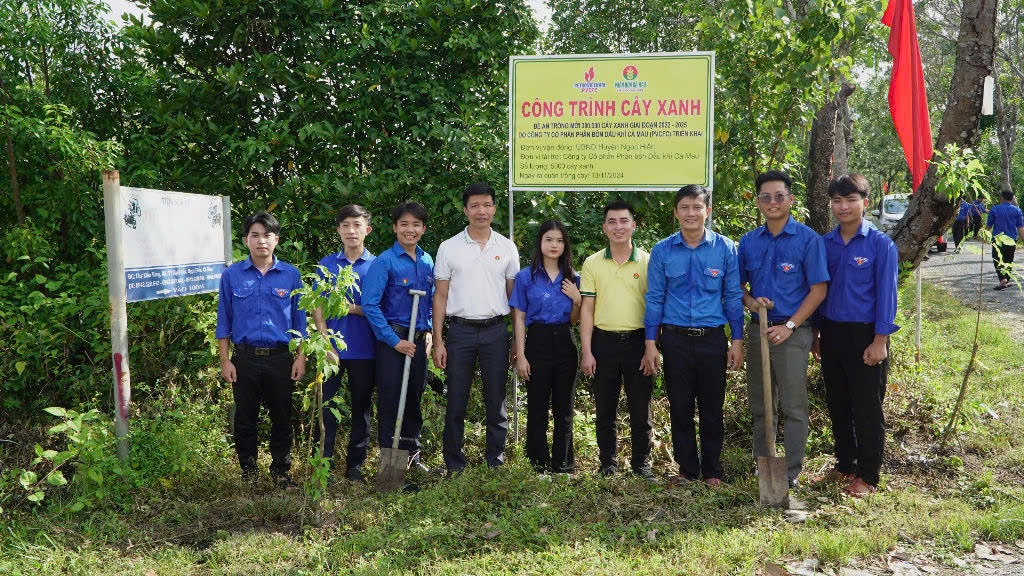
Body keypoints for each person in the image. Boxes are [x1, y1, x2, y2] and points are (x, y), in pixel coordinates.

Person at [643, 186, 744, 487]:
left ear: (707, 211)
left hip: (712, 339)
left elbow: (733, 297)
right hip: (675, 340)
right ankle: (687, 470)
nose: (690, 213)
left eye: (697, 207)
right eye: (684, 207)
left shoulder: (725, 248)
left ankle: (712, 471)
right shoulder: (662, 251)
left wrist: (736, 340)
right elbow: (655, 299)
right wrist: (651, 343)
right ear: (675, 213)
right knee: (680, 406)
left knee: (713, 407)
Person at [737, 171, 828, 488]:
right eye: (765, 197)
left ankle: (789, 473)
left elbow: (818, 291)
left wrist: (790, 326)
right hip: (758, 331)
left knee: (793, 406)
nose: (772, 202)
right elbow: (738, 287)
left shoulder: (808, 240)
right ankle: (765, 467)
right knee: (762, 406)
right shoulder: (748, 242)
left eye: (779, 196)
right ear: (758, 202)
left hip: (792, 333)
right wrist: (751, 302)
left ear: (790, 200)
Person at [813, 174, 899, 497]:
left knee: (867, 407)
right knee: (838, 403)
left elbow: (888, 298)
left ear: (866, 203)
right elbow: (820, 292)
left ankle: (868, 475)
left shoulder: (881, 245)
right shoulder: (825, 244)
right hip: (832, 333)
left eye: (851, 200)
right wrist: (816, 332)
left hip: (867, 336)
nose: (843, 207)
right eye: (837, 200)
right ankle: (845, 465)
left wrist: (880, 341)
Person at [432, 182, 520, 473]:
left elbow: (514, 298)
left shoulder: (506, 247)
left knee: (496, 400)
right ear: (465, 210)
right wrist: (439, 340)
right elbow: (441, 296)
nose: (481, 211)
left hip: (496, 331)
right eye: (474, 206)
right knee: (456, 399)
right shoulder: (449, 247)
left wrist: (519, 343)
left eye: (486, 205)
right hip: (460, 333)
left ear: (494, 208)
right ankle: (454, 464)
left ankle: (495, 462)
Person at [216, 211, 306, 487]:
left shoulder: (291, 275)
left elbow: (300, 320)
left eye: (267, 235)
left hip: (280, 357)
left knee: (282, 416)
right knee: (245, 418)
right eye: (255, 235)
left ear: (276, 240)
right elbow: (224, 320)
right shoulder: (232, 276)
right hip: (244, 358)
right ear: (246, 240)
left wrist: (300, 357)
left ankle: (281, 471)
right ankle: (249, 473)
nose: (261, 241)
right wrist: (224, 360)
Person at [580, 200, 654, 480]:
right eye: (612, 222)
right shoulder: (592, 263)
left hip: (639, 342)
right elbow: (586, 309)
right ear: (604, 228)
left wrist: (652, 346)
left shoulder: (648, 261)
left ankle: (641, 464)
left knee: (640, 407)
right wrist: (586, 351)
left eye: (624, 221)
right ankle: (607, 464)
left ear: (634, 225)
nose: (618, 227)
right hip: (604, 342)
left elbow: (655, 307)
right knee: (605, 408)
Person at [362, 202, 435, 472]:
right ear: (394, 227)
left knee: (414, 396)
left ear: (423, 228)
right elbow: (370, 305)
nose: (410, 230)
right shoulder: (384, 261)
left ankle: (412, 457)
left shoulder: (427, 261)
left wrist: (427, 332)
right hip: (393, 342)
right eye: (404, 224)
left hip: (417, 341)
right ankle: (390, 465)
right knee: (393, 398)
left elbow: (430, 302)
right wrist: (394, 340)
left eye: (416, 224)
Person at [510, 220, 582, 474]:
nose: (554, 245)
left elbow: (575, 320)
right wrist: (521, 355)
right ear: (540, 243)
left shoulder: (574, 278)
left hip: (565, 341)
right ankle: (537, 465)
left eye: (559, 240)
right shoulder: (525, 277)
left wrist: (577, 300)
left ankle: (563, 465)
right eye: (549, 239)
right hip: (536, 342)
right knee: (537, 406)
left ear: (565, 245)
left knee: (564, 408)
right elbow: (519, 317)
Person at [311, 204, 376, 482]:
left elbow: (379, 308)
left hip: (366, 350)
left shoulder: (377, 265)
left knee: (361, 409)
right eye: (346, 225)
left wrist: (351, 308)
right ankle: (322, 465)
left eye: (357, 225)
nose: (351, 231)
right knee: (325, 407)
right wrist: (326, 343)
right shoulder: (327, 265)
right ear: (338, 230)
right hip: (331, 350)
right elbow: (316, 306)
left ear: (367, 230)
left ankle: (355, 467)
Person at [986, 189, 1024, 291]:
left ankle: (1002, 279)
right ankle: (1005, 280)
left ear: (1002, 197)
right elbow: (1020, 227)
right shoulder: (1017, 211)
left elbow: (989, 225)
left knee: (997, 259)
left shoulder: (995, 209)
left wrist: (984, 235)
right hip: (1012, 239)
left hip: (998, 239)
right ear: (1012, 199)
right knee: (1009, 260)